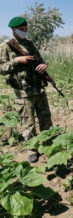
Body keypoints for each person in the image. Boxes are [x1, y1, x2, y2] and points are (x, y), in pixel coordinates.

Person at [0, 16, 52, 163]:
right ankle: (32, 150)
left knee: (45, 118)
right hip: (23, 91)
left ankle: (49, 145)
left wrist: (43, 65)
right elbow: (1, 68)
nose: (24, 32)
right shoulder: (5, 46)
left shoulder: (29, 44)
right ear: (13, 29)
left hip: (38, 88)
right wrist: (16, 61)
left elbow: (40, 60)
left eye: (25, 29)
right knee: (28, 122)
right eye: (21, 30)